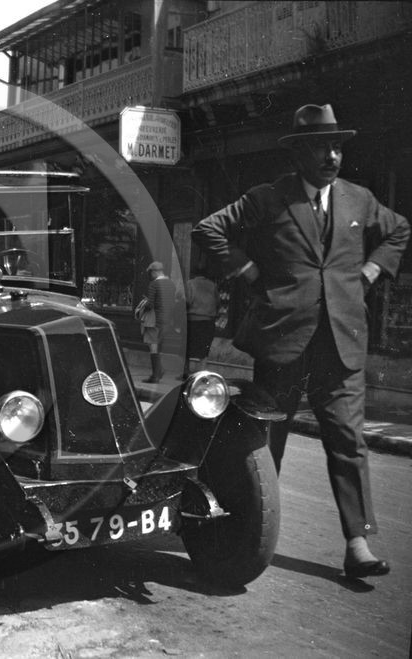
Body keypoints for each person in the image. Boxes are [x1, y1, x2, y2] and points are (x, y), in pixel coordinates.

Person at [192, 103, 410, 579]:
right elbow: (210, 229)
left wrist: (371, 271)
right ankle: (249, 531)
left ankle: (358, 544)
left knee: (349, 441)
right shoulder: (270, 197)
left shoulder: (360, 199)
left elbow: (398, 231)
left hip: (342, 344)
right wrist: (248, 270)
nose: (332, 156)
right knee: (268, 444)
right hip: (283, 343)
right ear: (300, 153)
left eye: (337, 147)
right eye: (321, 147)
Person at [138, 261, 176, 382]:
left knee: (153, 346)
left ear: (154, 272)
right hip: (166, 320)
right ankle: (159, 371)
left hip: (154, 320)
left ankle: (155, 375)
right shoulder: (171, 284)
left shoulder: (154, 284)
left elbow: (150, 304)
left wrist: (143, 306)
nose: (150, 275)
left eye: (151, 272)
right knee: (158, 346)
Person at [180, 268, 218, 379]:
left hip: (192, 320)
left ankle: (185, 372)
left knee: (186, 347)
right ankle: (201, 373)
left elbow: (185, 301)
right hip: (208, 321)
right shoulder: (213, 285)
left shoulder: (190, 284)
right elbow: (217, 302)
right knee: (204, 350)